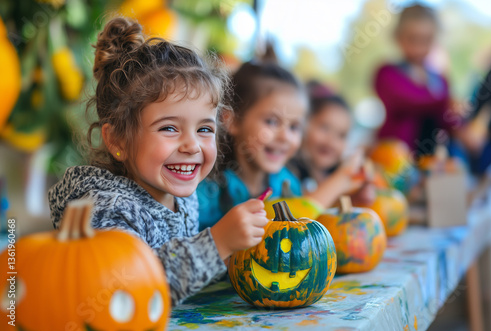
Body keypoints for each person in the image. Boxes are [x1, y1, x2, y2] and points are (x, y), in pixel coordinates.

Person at [47, 17, 269, 306]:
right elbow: (131, 289)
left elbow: (175, 262)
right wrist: (216, 244)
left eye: (204, 129)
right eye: (169, 128)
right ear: (117, 141)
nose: (192, 145)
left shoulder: (182, 198)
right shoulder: (106, 210)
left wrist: (228, 257)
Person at [197, 62, 364, 230]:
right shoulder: (206, 191)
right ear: (231, 121)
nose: (285, 137)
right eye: (271, 122)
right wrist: (341, 180)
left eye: (294, 127)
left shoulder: (288, 184)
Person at [374, 4, 460, 156]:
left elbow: (448, 120)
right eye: (413, 39)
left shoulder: (440, 79)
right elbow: (410, 100)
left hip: (432, 158)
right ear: (398, 37)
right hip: (396, 158)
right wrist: (446, 102)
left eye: (426, 40)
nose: (419, 47)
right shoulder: (387, 73)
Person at [290, 81, 375, 206]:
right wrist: (342, 178)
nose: (331, 141)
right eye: (324, 128)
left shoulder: (334, 170)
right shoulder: (292, 169)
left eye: (341, 135)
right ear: (304, 124)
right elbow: (301, 214)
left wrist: (362, 193)